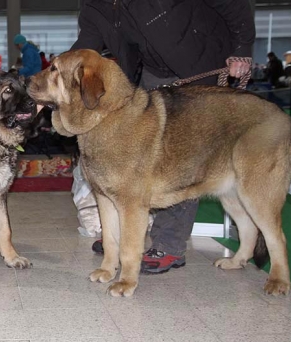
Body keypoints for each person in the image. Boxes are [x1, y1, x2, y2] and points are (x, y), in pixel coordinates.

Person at [72, 0, 255, 274]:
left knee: (177, 160)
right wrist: (56, 79)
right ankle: (123, 235)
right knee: (137, 159)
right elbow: (84, 50)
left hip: (201, 67)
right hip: (152, 73)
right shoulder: (93, 7)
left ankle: (169, 245)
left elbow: (233, 4)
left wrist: (241, 50)